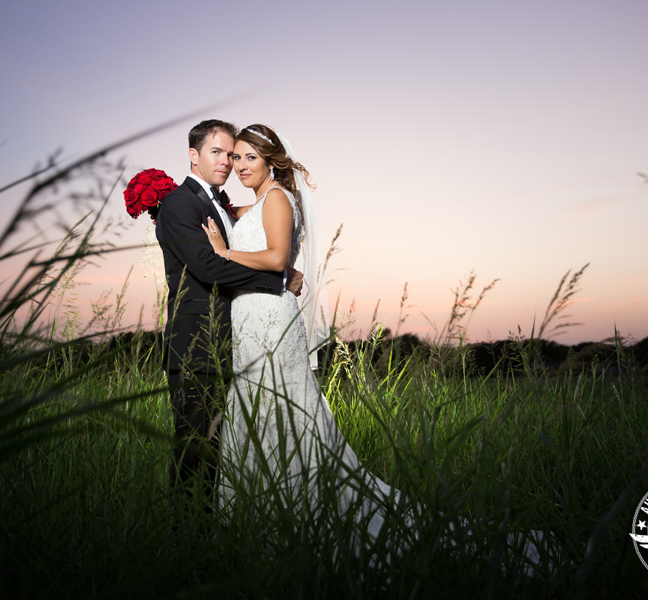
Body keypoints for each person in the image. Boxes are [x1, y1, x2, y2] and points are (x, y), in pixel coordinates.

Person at [202, 124, 552, 575]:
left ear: (271, 160)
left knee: (279, 409)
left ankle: (292, 522)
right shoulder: (258, 202)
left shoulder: (276, 199)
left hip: (270, 326)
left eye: (251, 157)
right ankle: (263, 520)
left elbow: (274, 258)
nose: (240, 166)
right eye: (237, 157)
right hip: (252, 321)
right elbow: (277, 259)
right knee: (258, 411)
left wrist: (222, 252)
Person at [155, 119, 302, 494]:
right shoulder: (179, 204)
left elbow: (258, 248)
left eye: (232, 154)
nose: (227, 162)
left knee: (225, 447)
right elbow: (207, 266)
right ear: (194, 156)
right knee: (195, 447)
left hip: (234, 343)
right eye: (217, 152)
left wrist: (280, 265)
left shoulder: (221, 204)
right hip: (196, 347)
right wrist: (278, 279)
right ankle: (186, 537)